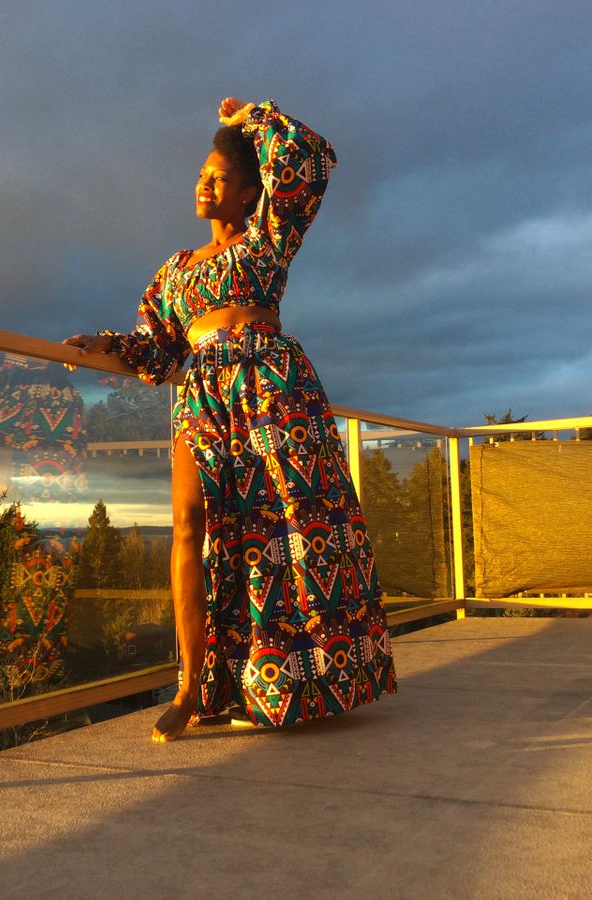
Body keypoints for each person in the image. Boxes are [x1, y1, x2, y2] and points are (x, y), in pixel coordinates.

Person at [66, 97, 396, 742]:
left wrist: (255, 117)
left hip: (274, 389)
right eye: (200, 176)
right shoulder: (172, 272)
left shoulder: (269, 238)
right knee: (191, 527)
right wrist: (106, 345)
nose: (203, 185)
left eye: (218, 177)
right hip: (202, 394)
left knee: (293, 528)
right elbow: (157, 349)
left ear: (250, 193)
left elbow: (312, 159)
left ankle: (304, 679)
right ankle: (191, 686)